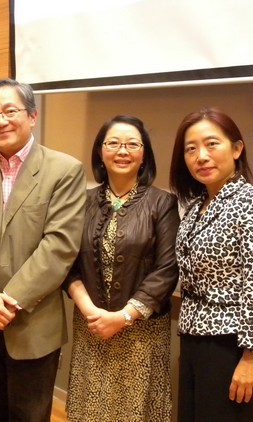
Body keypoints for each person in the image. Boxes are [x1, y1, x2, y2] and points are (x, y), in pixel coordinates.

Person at [0, 78, 85, 421]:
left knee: (31, 415)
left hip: (32, 323)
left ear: (32, 116)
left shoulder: (64, 170)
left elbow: (59, 246)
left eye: (11, 111)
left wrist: (8, 301)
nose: (1, 120)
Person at [169, 108, 253, 421]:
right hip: (194, 339)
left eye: (212, 144)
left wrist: (252, 356)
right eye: (191, 149)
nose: (201, 156)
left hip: (232, 344)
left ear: (236, 149)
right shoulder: (196, 206)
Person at [63, 115, 179, 421]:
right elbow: (67, 263)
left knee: (135, 411)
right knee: (91, 409)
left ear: (144, 154)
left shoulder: (162, 203)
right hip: (92, 326)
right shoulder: (81, 201)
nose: (122, 150)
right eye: (113, 143)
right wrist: (91, 310)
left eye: (132, 144)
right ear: (101, 152)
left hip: (142, 331)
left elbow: (167, 269)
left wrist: (124, 316)